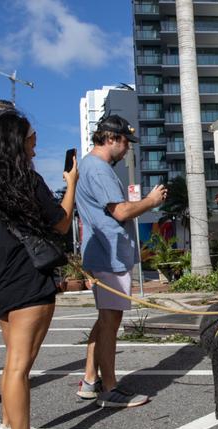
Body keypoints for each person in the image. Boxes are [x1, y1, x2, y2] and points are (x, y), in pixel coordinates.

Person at [0, 110, 77, 429]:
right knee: (21, 364)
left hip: (1, 280)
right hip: (29, 279)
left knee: (13, 362)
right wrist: (71, 182)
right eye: (32, 135)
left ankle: (9, 427)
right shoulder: (30, 182)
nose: (36, 141)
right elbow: (61, 224)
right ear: (18, 141)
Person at [75, 114, 167, 407]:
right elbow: (121, 212)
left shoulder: (90, 166)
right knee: (110, 321)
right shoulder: (99, 170)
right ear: (111, 138)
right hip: (108, 254)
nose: (128, 148)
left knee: (105, 319)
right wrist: (151, 202)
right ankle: (110, 388)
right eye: (126, 142)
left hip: (102, 252)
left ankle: (91, 380)